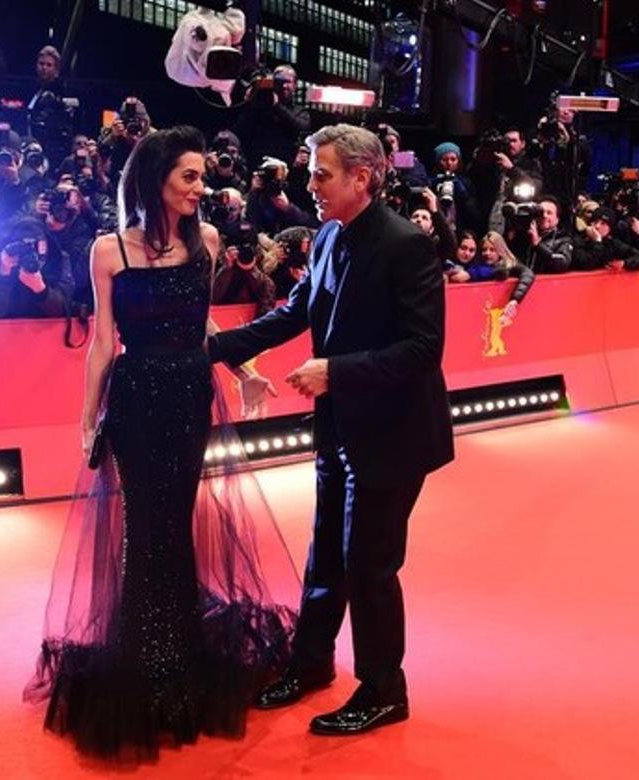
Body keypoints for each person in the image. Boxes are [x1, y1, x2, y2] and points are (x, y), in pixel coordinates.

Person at [24, 126, 298, 762]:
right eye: (189, 177)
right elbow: (102, 340)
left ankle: (174, 647)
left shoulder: (205, 239)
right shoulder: (108, 250)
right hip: (137, 396)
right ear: (156, 180)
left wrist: (246, 370)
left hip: (187, 392)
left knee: (174, 522)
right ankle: (145, 656)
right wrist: (87, 414)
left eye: (202, 177)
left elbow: (203, 321)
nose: (202, 188)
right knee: (146, 526)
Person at [208, 124, 454, 736]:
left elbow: (424, 349)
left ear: (363, 177)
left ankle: (383, 689)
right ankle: (311, 663)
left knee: (369, 563)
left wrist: (335, 372)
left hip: (395, 433)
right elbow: (294, 313)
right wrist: (211, 347)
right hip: (340, 428)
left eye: (322, 174)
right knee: (326, 555)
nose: (309, 184)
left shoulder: (406, 245)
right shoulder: (323, 238)